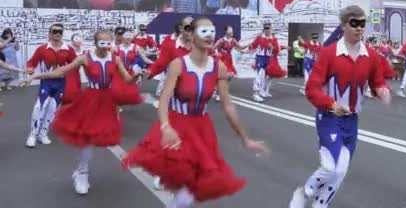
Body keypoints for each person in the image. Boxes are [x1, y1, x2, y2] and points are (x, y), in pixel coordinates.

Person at [122, 17, 269, 207]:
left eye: (211, 31)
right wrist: (165, 126)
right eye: (204, 31)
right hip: (177, 124)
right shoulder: (178, 64)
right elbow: (164, 99)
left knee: (192, 187)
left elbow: (228, 105)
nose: (209, 36)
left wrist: (245, 138)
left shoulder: (219, 67)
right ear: (192, 35)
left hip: (201, 128)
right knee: (184, 183)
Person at [289, 6, 390, 208]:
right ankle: (304, 192)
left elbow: (377, 82)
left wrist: (382, 91)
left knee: (341, 172)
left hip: (351, 121)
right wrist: (331, 104)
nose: (359, 28)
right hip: (329, 118)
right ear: (344, 25)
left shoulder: (370, 56)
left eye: (363, 24)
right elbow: (312, 89)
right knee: (330, 168)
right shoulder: (329, 54)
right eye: (354, 23)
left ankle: (320, 205)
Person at [22, 30, 142, 195]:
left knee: (99, 137)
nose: (106, 46)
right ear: (95, 42)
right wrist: (36, 75)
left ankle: (81, 171)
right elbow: (60, 72)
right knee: (86, 138)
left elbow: (128, 79)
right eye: (102, 42)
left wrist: (138, 75)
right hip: (90, 100)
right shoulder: (85, 58)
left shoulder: (116, 59)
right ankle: (82, 172)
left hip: (107, 101)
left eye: (109, 42)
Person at [25, 24, 77, 148]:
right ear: (49, 34)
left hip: (60, 83)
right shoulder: (42, 49)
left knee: (52, 109)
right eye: (54, 32)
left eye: (60, 32)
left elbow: (75, 63)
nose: (57, 34)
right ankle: (32, 135)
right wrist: (30, 69)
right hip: (46, 82)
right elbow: (32, 62)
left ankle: (43, 133)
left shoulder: (68, 49)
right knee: (40, 107)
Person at [249, 22, 276, 102]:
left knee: (262, 76)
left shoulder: (272, 38)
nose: (268, 30)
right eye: (266, 29)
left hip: (267, 59)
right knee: (259, 75)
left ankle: (260, 91)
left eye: (269, 28)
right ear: (264, 29)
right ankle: (255, 94)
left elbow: (275, 49)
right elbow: (253, 46)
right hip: (260, 58)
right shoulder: (260, 37)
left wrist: (272, 47)